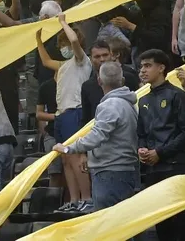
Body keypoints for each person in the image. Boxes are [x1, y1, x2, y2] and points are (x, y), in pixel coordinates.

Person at [55, 62, 139, 210]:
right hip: (122, 171)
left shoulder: (110, 105)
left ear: (99, 81)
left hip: (110, 172)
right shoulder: (128, 104)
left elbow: (97, 135)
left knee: (110, 224)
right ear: (123, 80)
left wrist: (69, 149)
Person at [36, 14, 93, 211]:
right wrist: (37, 40)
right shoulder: (63, 66)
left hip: (74, 112)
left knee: (75, 156)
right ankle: (74, 200)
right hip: (61, 115)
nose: (64, 47)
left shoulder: (82, 60)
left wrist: (62, 22)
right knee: (65, 159)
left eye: (64, 43)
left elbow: (75, 40)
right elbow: (45, 61)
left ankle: (86, 198)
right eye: (61, 44)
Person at [137, 49, 185, 241]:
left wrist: (160, 152)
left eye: (147, 65)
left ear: (161, 68)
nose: (142, 71)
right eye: (141, 66)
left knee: (179, 224)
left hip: (175, 166)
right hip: (153, 169)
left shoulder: (177, 95)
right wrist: (142, 149)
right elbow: (142, 134)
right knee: (161, 223)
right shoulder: (143, 100)